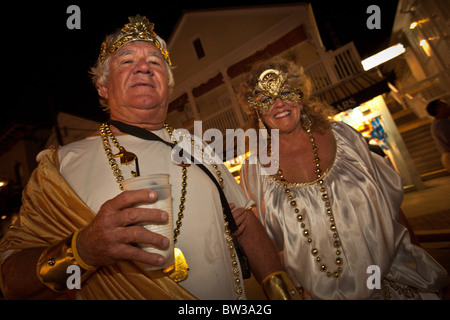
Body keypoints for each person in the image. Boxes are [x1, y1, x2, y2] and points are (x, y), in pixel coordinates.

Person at [0, 15, 300, 300]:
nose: (143, 68)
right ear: (103, 86)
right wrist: (81, 250)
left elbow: (246, 223)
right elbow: (11, 280)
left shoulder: (196, 146)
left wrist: (280, 287)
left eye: (155, 62)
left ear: (167, 86)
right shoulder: (62, 165)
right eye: (127, 61)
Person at [237, 57, 449, 299]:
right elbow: (262, 245)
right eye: (266, 99)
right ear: (257, 110)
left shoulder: (345, 138)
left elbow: (391, 207)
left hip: (395, 282)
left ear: (300, 95)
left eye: (285, 92)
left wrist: (422, 261)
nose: (279, 103)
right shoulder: (254, 171)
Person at [426, 99, 450, 173]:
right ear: (438, 110)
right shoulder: (441, 124)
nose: (448, 108)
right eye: (445, 106)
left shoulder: (442, 122)